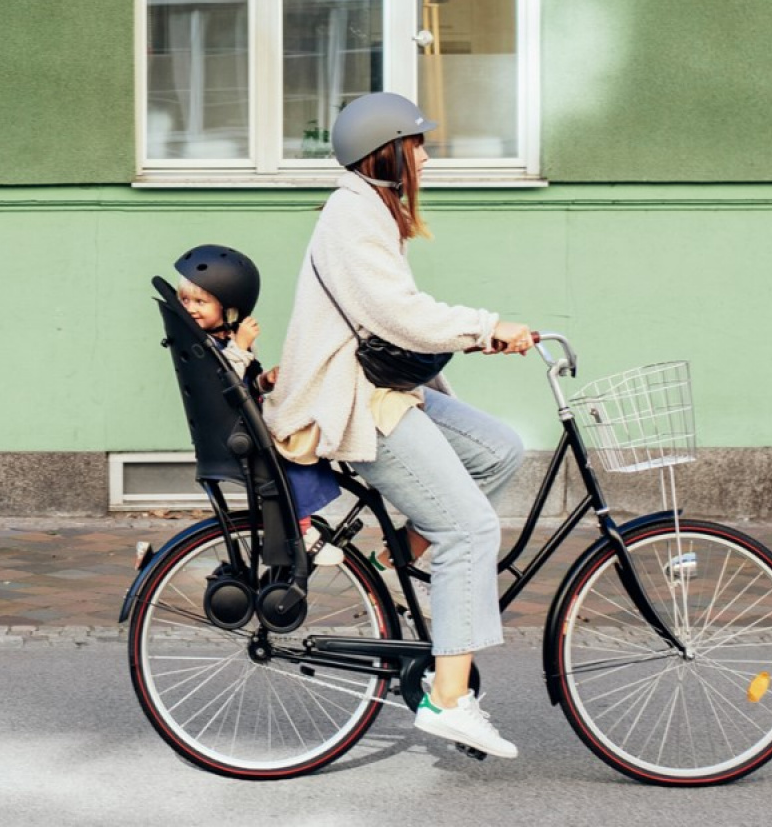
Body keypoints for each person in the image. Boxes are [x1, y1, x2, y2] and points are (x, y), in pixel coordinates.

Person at [263, 93, 534, 759]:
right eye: (418, 144)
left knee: (501, 447)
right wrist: (484, 327)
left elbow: (391, 319)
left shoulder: (369, 211)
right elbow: (398, 314)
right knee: (469, 527)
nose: (426, 156)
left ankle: (404, 550)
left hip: (382, 388)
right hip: (353, 401)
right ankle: (448, 701)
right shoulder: (352, 214)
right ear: (387, 153)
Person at [174, 245, 343, 566]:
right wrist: (240, 347)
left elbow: (242, 385)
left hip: (244, 424)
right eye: (186, 300)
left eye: (200, 301)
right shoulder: (211, 345)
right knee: (295, 451)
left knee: (302, 431)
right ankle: (302, 529)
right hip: (241, 434)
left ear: (229, 308)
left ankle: (302, 520)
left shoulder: (216, 341)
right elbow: (221, 383)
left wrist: (264, 381)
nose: (191, 308)